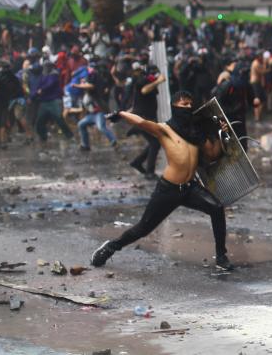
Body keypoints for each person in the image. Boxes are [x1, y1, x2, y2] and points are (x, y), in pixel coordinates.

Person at [90, 91, 233, 272]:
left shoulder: (196, 133)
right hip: (168, 190)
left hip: (190, 188)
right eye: (184, 105)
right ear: (174, 107)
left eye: (190, 104)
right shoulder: (165, 129)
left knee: (217, 208)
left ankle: (221, 257)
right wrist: (121, 114)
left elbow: (213, 154)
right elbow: (142, 122)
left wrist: (222, 134)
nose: (188, 108)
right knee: (143, 229)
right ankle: (110, 247)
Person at [128, 62, 165, 178]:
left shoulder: (148, 81)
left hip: (146, 118)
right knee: (155, 143)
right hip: (142, 119)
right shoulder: (143, 80)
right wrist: (158, 81)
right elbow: (144, 90)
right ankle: (149, 172)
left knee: (155, 142)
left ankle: (137, 162)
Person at [74, 61, 117, 151]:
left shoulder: (95, 78)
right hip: (91, 113)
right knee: (81, 124)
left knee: (101, 127)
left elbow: (91, 86)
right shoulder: (90, 78)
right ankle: (85, 145)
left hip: (99, 111)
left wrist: (78, 85)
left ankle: (113, 140)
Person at [34, 61, 74, 143]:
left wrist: (41, 89)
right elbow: (39, 85)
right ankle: (43, 137)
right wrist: (37, 92)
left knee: (59, 118)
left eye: (47, 66)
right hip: (44, 101)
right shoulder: (43, 75)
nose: (45, 68)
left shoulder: (54, 74)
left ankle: (70, 136)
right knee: (39, 121)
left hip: (54, 100)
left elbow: (50, 84)